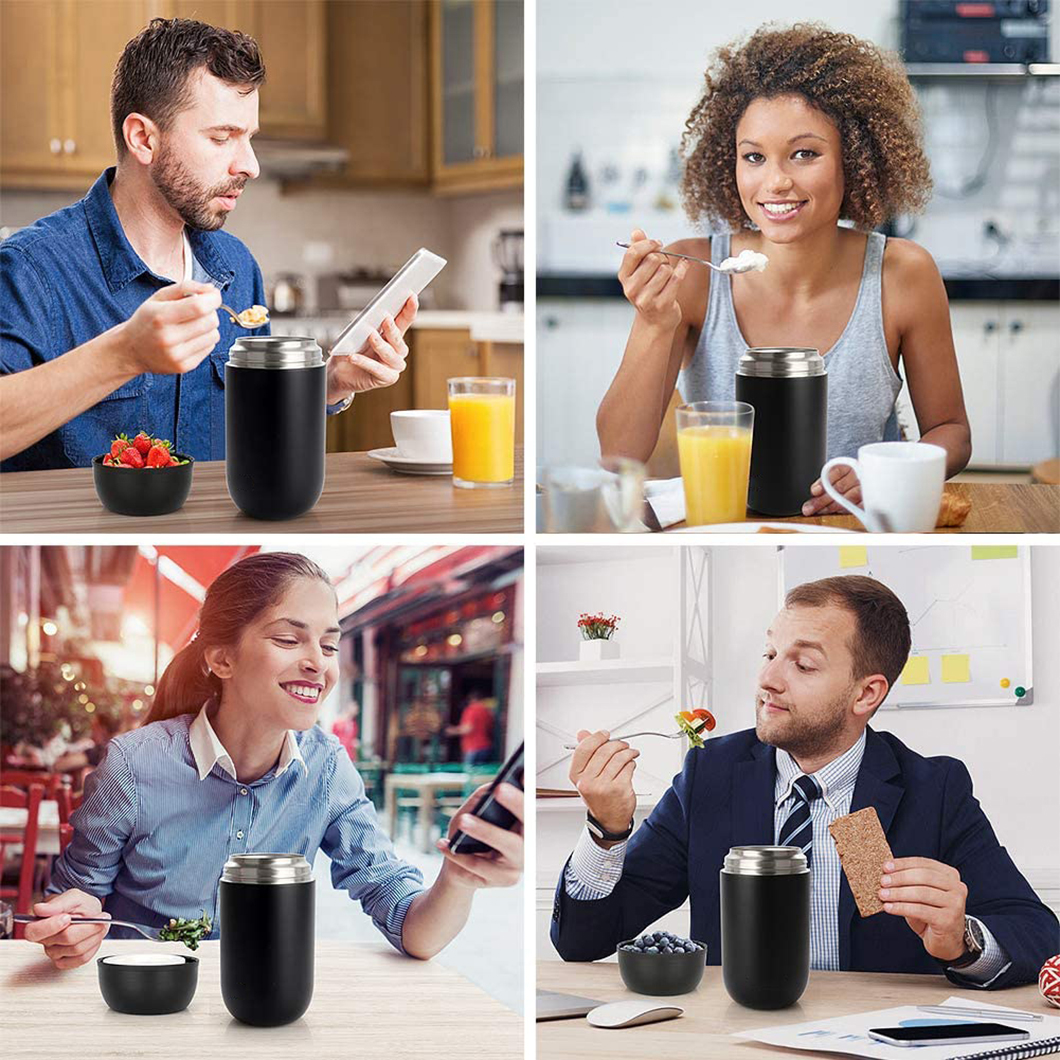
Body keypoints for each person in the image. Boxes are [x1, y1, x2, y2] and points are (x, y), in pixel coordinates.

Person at [552, 576, 1057, 988]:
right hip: (733, 1036)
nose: (768, 680)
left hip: (872, 1038)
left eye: (804, 664)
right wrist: (606, 828)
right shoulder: (710, 774)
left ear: (866, 694)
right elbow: (582, 942)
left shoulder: (934, 788)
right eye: (769, 654)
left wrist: (962, 938)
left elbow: (1039, 934)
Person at [24, 553, 522, 969]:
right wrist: (73, 926)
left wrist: (458, 877)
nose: (318, 662)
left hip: (265, 1007)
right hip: (147, 1001)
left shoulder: (328, 769)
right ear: (222, 660)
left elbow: (417, 933)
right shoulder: (131, 766)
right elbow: (75, 900)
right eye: (289, 639)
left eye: (329, 644)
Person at [1, 18, 415, 470]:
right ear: (143, 138)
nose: (250, 165)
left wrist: (329, 383)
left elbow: (257, 426)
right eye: (222, 138)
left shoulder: (235, 267)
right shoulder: (31, 270)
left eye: (249, 138)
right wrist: (124, 354)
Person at [597, 24, 971, 515]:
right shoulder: (694, 275)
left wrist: (879, 474)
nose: (775, 182)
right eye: (754, 157)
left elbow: (953, 432)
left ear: (854, 160)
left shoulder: (903, 274)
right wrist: (653, 322)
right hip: (727, 526)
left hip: (855, 526)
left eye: (804, 154)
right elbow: (618, 454)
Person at [447, 690, 496, 766]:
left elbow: (468, 729)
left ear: (472, 699)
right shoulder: (487, 711)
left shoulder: (472, 709)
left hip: (473, 747)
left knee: (469, 774)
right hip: (486, 746)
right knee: (481, 775)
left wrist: (451, 731)